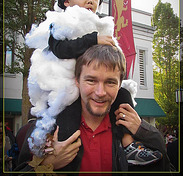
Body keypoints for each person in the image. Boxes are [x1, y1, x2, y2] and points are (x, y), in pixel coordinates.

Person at [24, 0, 162, 166]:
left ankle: (128, 143)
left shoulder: (100, 24)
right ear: (67, 1)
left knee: (123, 95)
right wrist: (48, 165)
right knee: (67, 117)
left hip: (87, 86)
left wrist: (142, 130)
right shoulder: (60, 23)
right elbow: (61, 49)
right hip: (65, 85)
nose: (90, 0)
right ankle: (52, 146)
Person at [15, 45, 170, 173]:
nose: (100, 92)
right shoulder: (47, 127)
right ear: (77, 81)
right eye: (91, 80)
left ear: (120, 85)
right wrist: (47, 165)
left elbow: (165, 167)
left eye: (110, 82)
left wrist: (145, 132)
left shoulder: (133, 130)